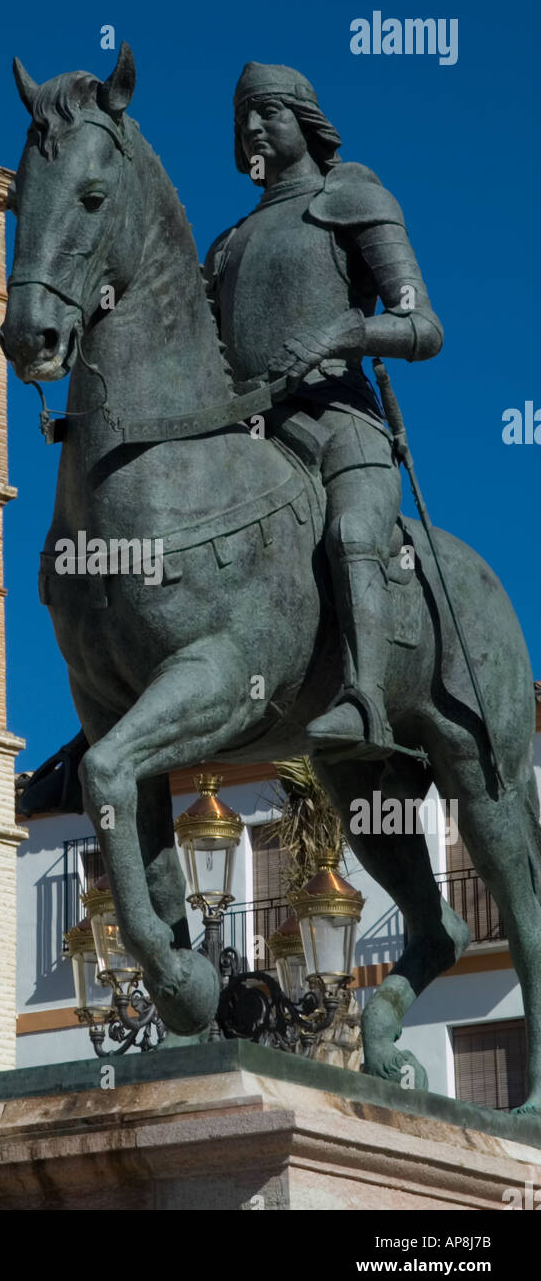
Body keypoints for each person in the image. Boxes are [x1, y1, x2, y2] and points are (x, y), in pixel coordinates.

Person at [203, 63, 443, 759]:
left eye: (268, 112)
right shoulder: (226, 246)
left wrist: (346, 333)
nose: (252, 126)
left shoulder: (355, 201)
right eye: (243, 114)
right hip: (246, 431)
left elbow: (424, 327)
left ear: (305, 121)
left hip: (342, 420)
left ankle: (368, 699)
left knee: (351, 531)